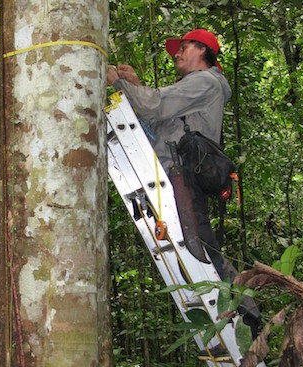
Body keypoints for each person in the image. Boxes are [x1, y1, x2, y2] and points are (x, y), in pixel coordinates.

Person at [107, 28, 261, 339]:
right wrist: (134, 87)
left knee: (199, 248)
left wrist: (119, 83)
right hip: (174, 173)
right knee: (194, 247)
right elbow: (157, 124)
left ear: (203, 50)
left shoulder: (205, 82)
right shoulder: (192, 87)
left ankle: (247, 319)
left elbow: (154, 105)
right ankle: (240, 317)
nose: (176, 53)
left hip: (183, 176)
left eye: (183, 47)